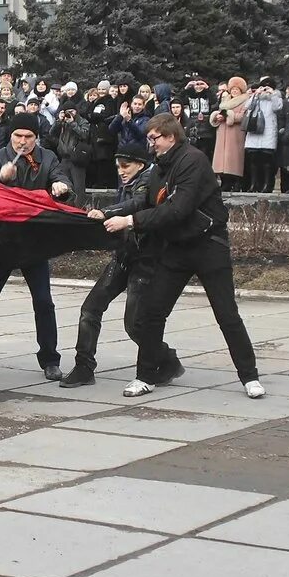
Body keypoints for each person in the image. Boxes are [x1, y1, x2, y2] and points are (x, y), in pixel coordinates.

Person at [113, 114, 265, 398]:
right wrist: (113, 213)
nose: (151, 144)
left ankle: (249, 377)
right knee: (152, 312)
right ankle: (146, 376)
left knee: (226, 313)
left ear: (171, 137)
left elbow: (177, 209)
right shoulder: (160, 167)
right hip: (177, 248)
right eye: (149, 139)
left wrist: (131, 221)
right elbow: (147, 201)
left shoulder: (193, 161)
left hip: (209, 245)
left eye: (154, 138)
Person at [62, 143, 182, 393]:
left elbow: (138, 204)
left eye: (125, 165)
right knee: (90, 309)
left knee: (135, 323)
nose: (121, 171)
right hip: (124, 256)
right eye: (117, 166)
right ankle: (84, 366)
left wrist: (106, 212)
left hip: (146, 259)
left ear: (140, 163)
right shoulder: (129, 182)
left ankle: (166, 358)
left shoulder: (150, 178)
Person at [0, 114, 71, 380]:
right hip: (1, 242)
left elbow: (60, 177)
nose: (23, 142)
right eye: (18, 136)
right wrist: (1, 179)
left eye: (29, 137)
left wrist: (61, 186)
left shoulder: (47, 157)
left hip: (33, 243)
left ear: (36, 138)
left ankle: (50, 358)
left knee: (43, 301)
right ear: (11, 135)